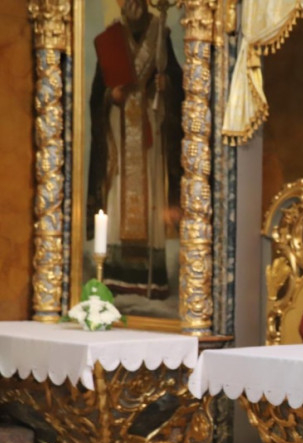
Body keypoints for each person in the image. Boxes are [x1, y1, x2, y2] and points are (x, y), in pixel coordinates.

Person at [87, 0, 184, 300]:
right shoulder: (112, 38)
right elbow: (97, 95)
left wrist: (167, 84)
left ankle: (150, 278)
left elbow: (179, 83)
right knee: (118, 191)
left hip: (150, 129)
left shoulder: (160, 34)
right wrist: (110, 95)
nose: (133, 5)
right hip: (119, 132)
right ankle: (115, 273)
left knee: (151, 192)